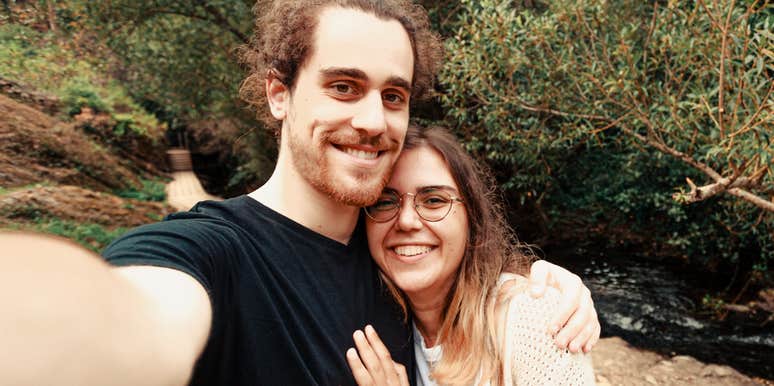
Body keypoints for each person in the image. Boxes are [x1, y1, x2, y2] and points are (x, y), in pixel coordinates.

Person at [0, 1, 598, 385]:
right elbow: (127, 316)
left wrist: (547, 290)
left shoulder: (392, 258)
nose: (373, 120)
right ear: (278, 93)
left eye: (394, 96)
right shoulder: (214, 254)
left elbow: (480, 294)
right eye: (343, 86)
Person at [346, 125, 596, 385]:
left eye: (434, 200)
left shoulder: (534, 322)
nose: (407, 221)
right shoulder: (375, 322)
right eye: (385, 202)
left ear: (472, 218)